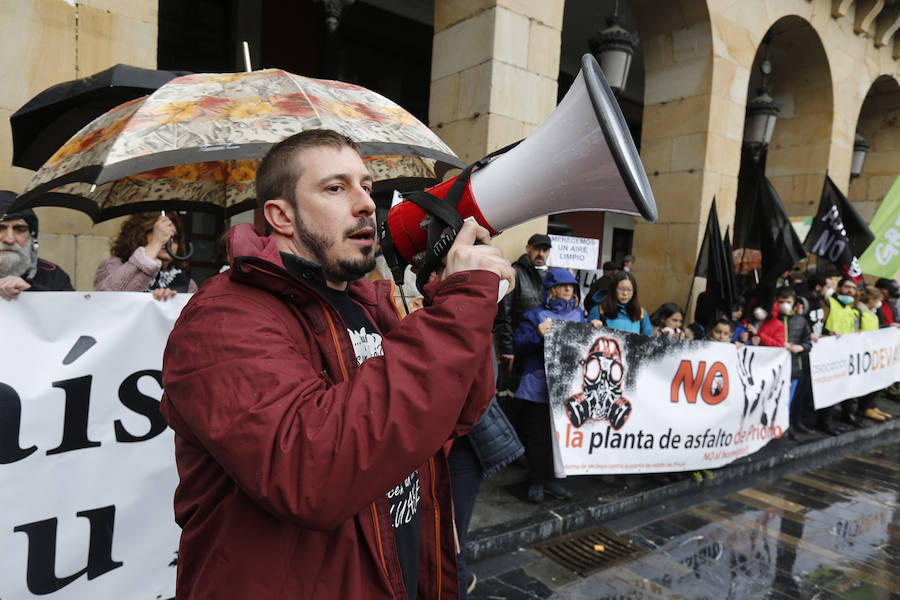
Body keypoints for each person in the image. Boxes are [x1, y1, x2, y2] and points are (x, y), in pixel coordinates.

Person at [159, 129, 514, 599]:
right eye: (336, 187)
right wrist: (461, 307)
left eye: (366, 185)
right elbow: (312, 470)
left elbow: (460, 411)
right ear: (281, 216)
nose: (367, 202)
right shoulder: (222, 320)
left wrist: (453, 301)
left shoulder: (372, 305)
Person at [514, 268, 599, 503]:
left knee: (559, 437)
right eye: (563, 286)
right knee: (537, 436)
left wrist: (595, 333)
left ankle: (552, 480)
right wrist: (537, 336)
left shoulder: (579, 316)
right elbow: (519, 346)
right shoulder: (535, 315)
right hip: (537, 387)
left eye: (571, 286)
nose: (568, 289)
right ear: (551, 289)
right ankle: (536, 480)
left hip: (566, 389)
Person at [493, 233, 551, 419]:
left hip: (537, 350)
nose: (540, 253)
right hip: (517, 349)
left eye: (544, 249)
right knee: (510, 400)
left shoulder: (549, 276)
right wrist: (507, 348)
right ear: (528, 248)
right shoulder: (516, 272)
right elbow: (504, 313)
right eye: (537, 248)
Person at [94, 212, 198, 300]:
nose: (168, 241)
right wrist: (155, 244)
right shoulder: (113, 266)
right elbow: (106, 299)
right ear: (140, 235)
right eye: (162, 234)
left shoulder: (187, 283)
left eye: (174, 237)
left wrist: (171, 305)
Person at [0, 190, 73, 300]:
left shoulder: (52, 275)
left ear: (31, 236)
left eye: (20, 229)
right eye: (0, 228)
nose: (10, 239)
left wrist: (32, 292)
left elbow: (71, 314)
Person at [588, 271, 652, 336]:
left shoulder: (641, 313)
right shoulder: (598, 310)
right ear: (613, 289)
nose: (625, 293)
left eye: (629, 290)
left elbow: (648, 342)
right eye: (621, 289)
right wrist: (593, 328)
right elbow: (587, 340)